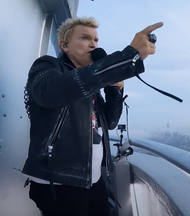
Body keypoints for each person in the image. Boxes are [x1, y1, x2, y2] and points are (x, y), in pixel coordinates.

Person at [22, 17, 163, 216]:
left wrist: (115, 89)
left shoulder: (90, 85)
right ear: (65, 45)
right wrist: (128, 56)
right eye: (85, 38)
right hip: (59, 183)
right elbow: (52, 91)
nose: (93, 44)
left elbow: (110, 122)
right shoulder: (47, 66)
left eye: (96, 40)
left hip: (93, 180)